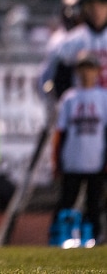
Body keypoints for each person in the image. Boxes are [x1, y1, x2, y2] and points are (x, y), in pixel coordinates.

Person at [51, 51, 107, 247]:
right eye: (83, 69)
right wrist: (56, 160)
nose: (86, 74)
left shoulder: (103, 97)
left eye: (90, 69)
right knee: (66, 201)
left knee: (94, 203)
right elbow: (60, 132)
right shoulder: (69, 98)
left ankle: (93, 237)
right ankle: (61, 237)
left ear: (97, 72)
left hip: (95, 160)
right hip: (73, 160)